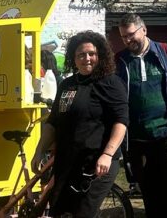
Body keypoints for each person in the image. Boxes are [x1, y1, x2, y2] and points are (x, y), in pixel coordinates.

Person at [31, 31, 128, 217]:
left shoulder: (110, 83)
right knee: (59, 211)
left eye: (92, 54)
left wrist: (108, 154)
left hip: (97, 165)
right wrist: (39, 150)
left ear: (100, 55)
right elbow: (53, 123)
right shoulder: (67, 85)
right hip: (67, 162)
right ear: (73, 58)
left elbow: (121, 121)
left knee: (83, 213)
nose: (87, 59)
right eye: (81, 55)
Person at [115, 14, 167, 218]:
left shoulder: (166, 52)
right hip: (137, 138)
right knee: (149, 192)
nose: (128, 40)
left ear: (144, 30)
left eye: (131, 34)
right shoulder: (120, 60)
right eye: (124, 37)